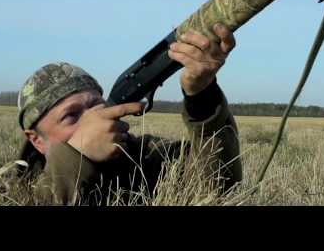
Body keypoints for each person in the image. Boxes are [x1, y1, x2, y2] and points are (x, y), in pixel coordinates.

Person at [17, 24, 242, 205]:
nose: (95, 120)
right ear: (36, 140)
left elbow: (219, 188)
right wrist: (77, 156)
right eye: (71, 116)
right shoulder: (10, 187)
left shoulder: (145, 155)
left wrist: (201, 98)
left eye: (97, 105)